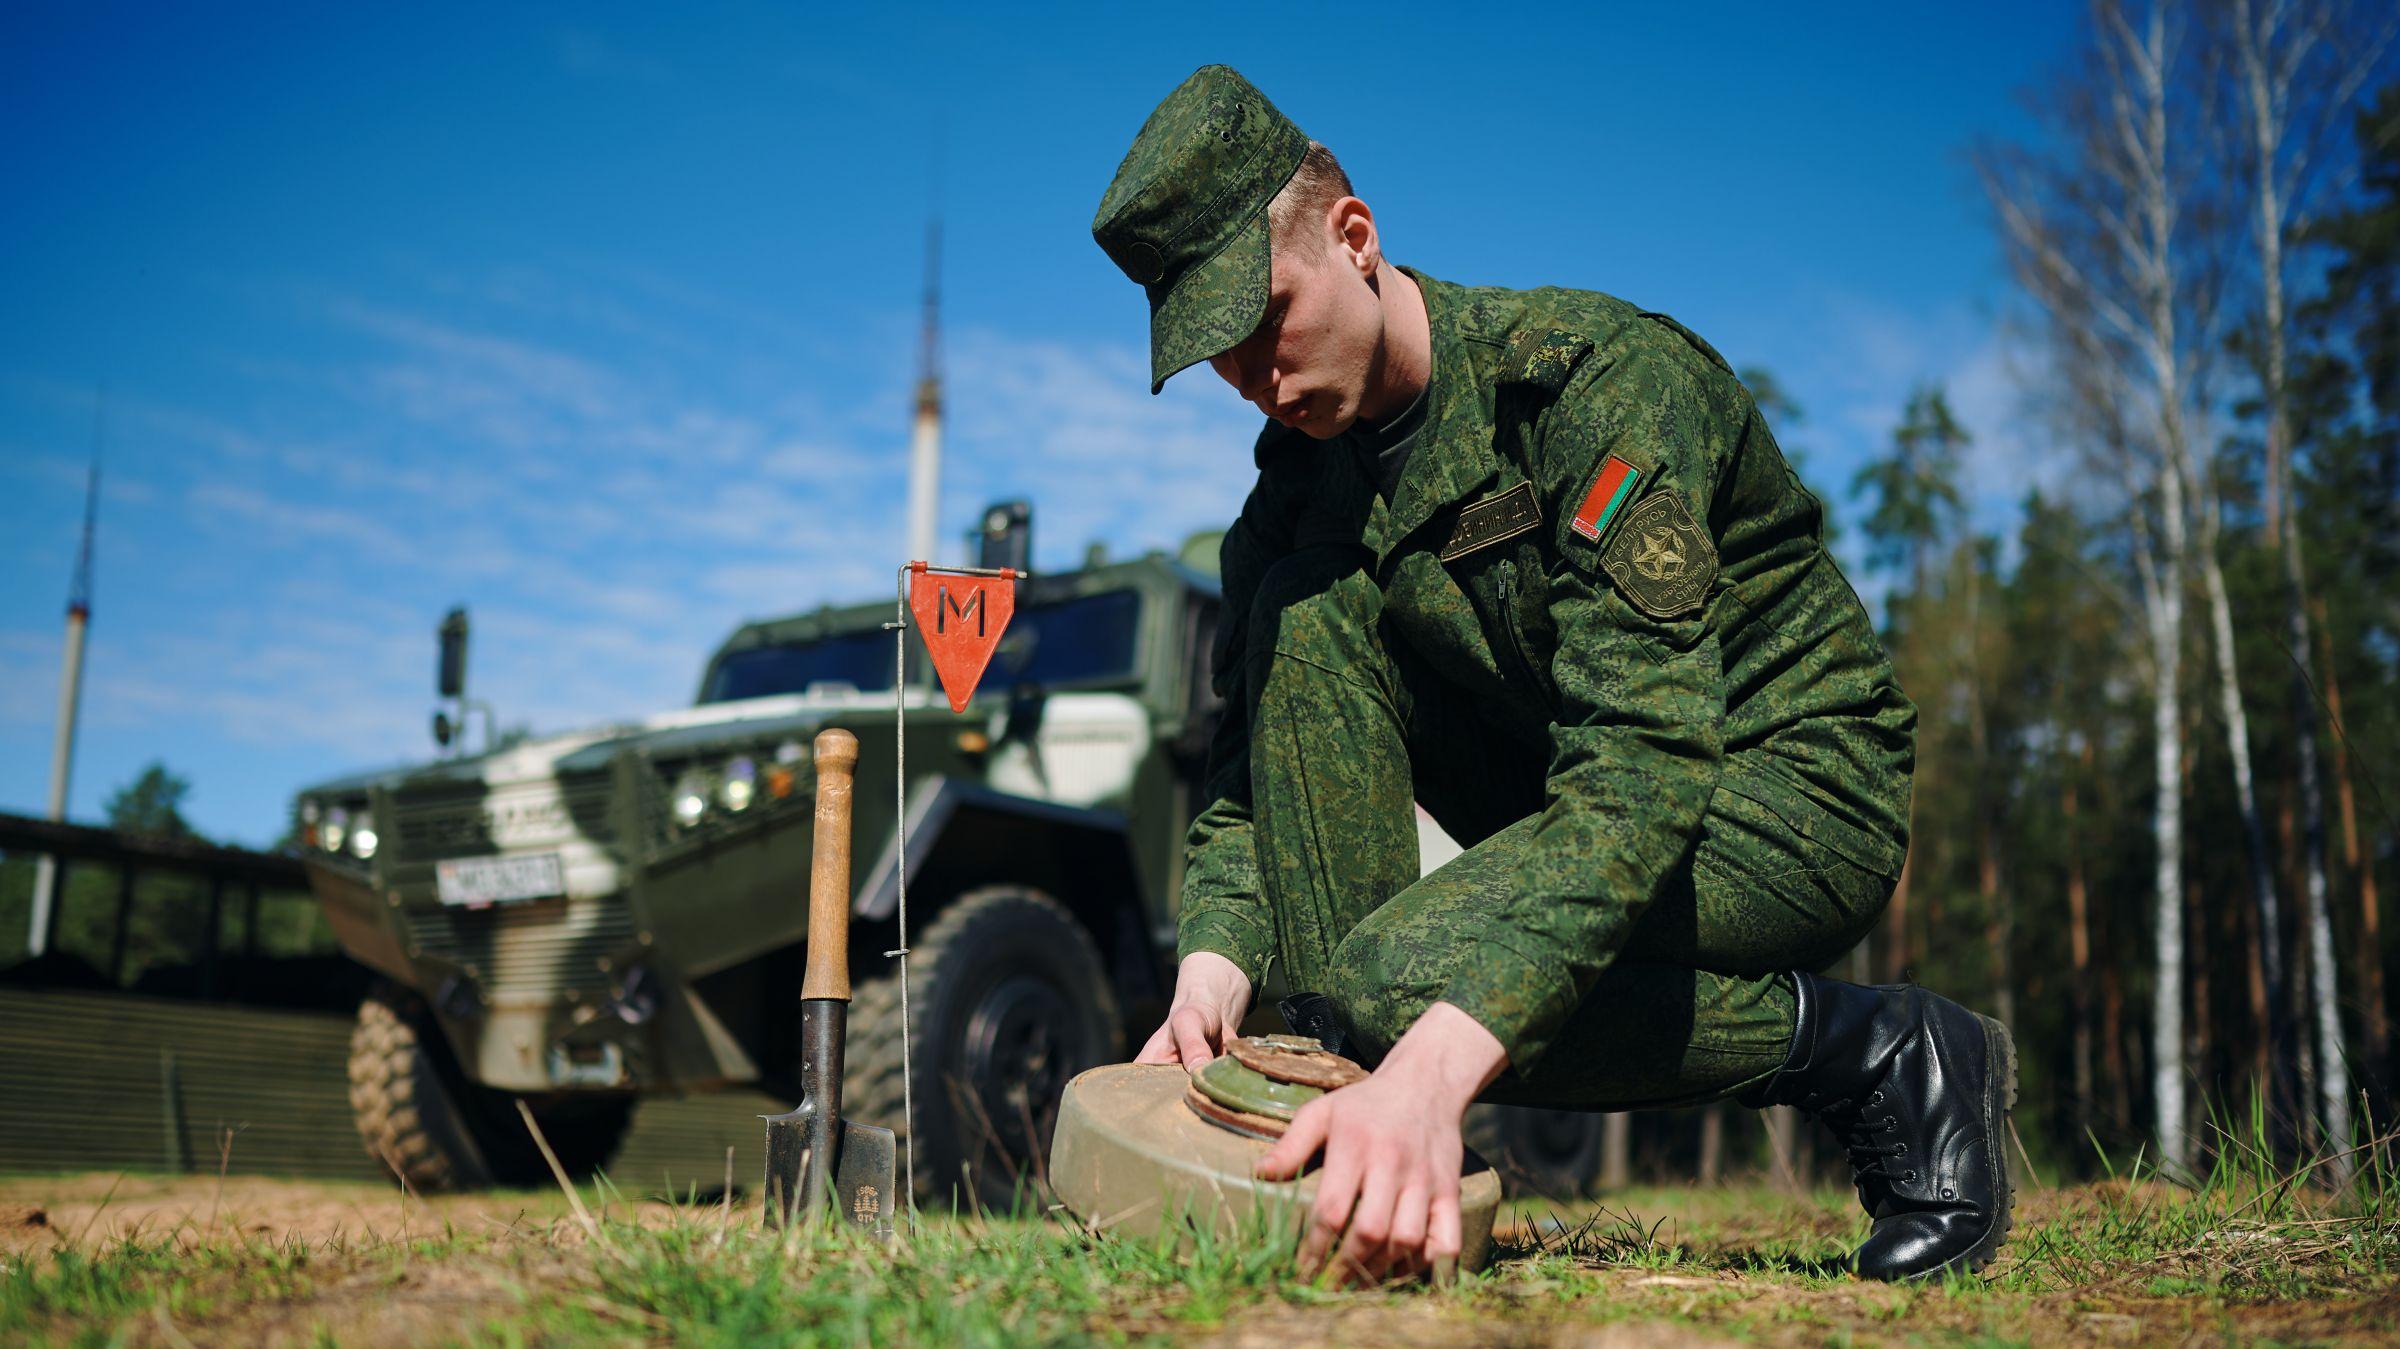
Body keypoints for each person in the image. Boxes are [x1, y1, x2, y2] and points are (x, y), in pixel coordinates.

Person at [1091, 65, 2015, 1286]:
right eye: (1218, 350)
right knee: (1300, 614)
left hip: (1783, 783)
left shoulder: (1587, 388)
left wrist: (1434, 1059)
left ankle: (1886, 1051)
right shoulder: (1294, 497)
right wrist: (1211, 972)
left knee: (1408, 984)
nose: (1252, 372)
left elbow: (1640, 766)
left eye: (1265, 317)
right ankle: (1344, 1133)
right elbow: (1244, 774)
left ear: (1355, 239)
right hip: (1560, 783)